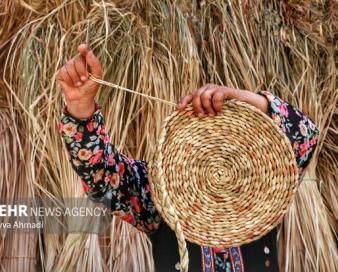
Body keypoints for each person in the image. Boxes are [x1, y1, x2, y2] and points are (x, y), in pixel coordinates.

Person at [56, 44, 319, 272]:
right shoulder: (159, 193)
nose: (215, 160)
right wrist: (81, 108)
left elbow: (305, 137)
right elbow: (103, 177)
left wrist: (242, 99)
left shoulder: (264, 191)